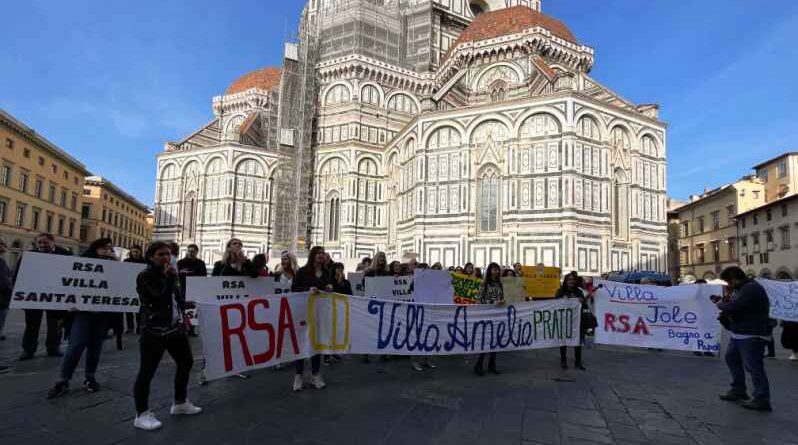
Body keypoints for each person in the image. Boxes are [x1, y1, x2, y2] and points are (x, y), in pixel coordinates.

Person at [133, 242, 201, 431]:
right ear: (151, 256)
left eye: (169, 254)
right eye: (161, 254)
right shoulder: (145, 276)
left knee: (186, 362)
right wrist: (171, 277)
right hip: (154, 331)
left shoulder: (170, 274)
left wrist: (186, 304)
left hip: (174, 328)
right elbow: (158, 297)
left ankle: (180, 403)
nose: (166, 258)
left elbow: (172, 299)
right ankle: (142, 414)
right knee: (147, 372)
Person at [47, 238, 116, 398]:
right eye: (105, 248)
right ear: (96, 248)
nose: (108, 251)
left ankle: (89, 377)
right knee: (75, 346)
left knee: (95, 347)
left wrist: (117, 263)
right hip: (82, 314)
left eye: (110, 249)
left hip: (103, 315)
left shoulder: (114, 266)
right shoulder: (83, 263)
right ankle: (63, 380)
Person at [715, 266, 773, 412]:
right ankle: (738, 390)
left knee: (753, 366)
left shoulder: (751, 288)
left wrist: (720, 304)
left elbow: (735, 306)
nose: (728, 284)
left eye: (728, 281)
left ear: (734, 279)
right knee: (731, 358)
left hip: (752, 334)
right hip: (740, 333)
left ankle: (762, 398)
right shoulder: (742, 289)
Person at [18, 233, 72, 360]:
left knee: (55, 324)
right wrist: (19, 296)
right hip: (33, 296)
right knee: (31, 325)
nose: (42, 245)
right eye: (39, 242)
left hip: (57, 296)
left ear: (53, 242)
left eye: (45, 242)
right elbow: (19, 275)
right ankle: (28, 350)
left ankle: (53, 347)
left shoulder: (65, 255)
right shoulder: (29, 256)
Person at [291, 246, 332, 391]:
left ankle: (315, 375)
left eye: (323, 253)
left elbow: (330, 290)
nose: (321, 255)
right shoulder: (302, 272)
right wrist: (307, 290)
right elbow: (294, 289)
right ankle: (298, 376)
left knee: (317, 342)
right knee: (302, 342)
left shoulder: (326, 273)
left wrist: (329, 288)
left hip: (320, 313)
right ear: (313, 255)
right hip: (303, 312)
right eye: (319, 253)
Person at [473, 262, 504, 376]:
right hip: (487, 315)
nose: (496, 271)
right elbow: (479, 300)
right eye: (494, 269)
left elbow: (501, 297)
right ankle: (479, 365)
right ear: (489, 271)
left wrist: (502, 301)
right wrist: (493, 302)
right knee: (486, 340)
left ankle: (492, 365)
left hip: (497, 315)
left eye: (497, 269)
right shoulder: (484, 284)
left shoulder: (499, 284)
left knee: (495, 341)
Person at [556, 272, 588, 370]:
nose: (571, 281)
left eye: (573, 279)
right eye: (569, 279)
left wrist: (582, 301)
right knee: (563, 341)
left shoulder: (579, 291)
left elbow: (585, 306)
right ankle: (563, 360)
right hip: (564, 320)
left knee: (577, 342)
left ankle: (578, 361)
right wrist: (562, 299)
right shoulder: (560, 291)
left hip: (577, 321)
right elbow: (554, 304)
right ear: (566, 281)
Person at [177, 244, 207, 337]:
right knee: (182, 308)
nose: (190, 253)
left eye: (193, 251)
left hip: (195, 288)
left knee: (192, 309)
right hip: (183, 287)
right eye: (189, 251)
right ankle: (182, 328)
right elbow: (175, 274)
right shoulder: (181, 262)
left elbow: (204, 275)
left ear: (197, 252)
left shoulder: (200, 263)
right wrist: (181, 273)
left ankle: (191, 329)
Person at [123, 246, 148, 334]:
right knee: (128, 308)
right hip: (128, 287)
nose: (135, 253)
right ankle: (130, 327)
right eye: (133, 252)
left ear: (140, 252)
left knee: (139, 309)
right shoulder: (126, 262)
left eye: (136, 252)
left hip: (141, 288)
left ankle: (139, 327)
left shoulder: (145, 262)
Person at [0, 238, 12, 341]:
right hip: (2, 299)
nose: (5, 246)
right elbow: (4, 282)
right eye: (3, 244)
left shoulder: (2, 261)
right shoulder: (1, 262)